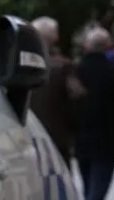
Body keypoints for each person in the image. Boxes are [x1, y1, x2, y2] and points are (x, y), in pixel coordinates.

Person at [73, 26, 114, 200]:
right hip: (108, 140)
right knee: (98, 191)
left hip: (81, 138)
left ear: (86, 46)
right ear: (108, 46)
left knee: (88, 186)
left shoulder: (77, 71)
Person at [28, 16, 77, 166]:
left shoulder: (21, 64)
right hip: (57, 136)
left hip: (28, 136)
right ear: (55, 37)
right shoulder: (63, 66)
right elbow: (77, 97)